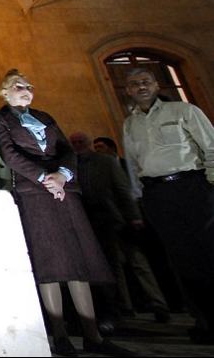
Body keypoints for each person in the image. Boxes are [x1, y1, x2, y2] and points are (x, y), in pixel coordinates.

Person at [0, 69, 130, 357]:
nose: (26, 89)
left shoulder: (45, 117)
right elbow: (10, 154)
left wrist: (63, 175)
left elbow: (66, 148)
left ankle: (93, 335)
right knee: (49, 261)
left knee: (78, 260)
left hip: (65, 191)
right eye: (18, 86)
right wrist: (44, 178)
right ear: (4, 92)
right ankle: (60, 334)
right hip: (34, 194)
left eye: (29, 85)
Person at [121, 67, 214, 344]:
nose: (141, 86)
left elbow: (210, 145)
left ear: (157, 84)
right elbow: (133, 163)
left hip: (194, 187)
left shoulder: (183, 110)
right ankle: (206, 321)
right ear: (128, 90)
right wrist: (140, 198)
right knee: (184, 260)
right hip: (158, 195)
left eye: (145, 81)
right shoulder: (130, 123)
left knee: (210, 251)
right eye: (134, 84)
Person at [70, 132, 170, 325]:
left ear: (88, 143)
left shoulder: (106, 162)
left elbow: (122, 189)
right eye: (74, 143)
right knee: (111, 264)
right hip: (93, 221)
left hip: (116, 218)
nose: (78, 145)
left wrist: (134, 216)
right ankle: (124, 306)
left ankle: (159, 304)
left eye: (81, 142)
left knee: (137, 262)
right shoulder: (71, 165)